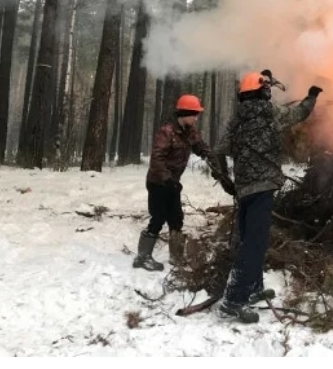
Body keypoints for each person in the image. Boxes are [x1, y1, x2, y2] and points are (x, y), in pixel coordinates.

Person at [214, 70, 322, 323]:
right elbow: (299, 113)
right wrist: (311, 96)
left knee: (249, 239)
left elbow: (220, 149)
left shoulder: (237, 118)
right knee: (255, 243)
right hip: (262, 188)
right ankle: (234, 300)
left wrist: (226, 180)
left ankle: (253, 288)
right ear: (262, 92)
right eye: (266, 89)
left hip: (243, 189)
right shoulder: (268, 111)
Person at [133, 93, 235, 272]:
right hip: (158, 182)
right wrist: (167, 180)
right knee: (158, 218)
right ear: (184, 114)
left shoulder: (190, 132)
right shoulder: (167, 132)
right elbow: (157, 159)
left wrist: (214, 164)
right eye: (194, 114)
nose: (196, 118)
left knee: (176, 219)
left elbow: (201, 147)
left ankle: (176, 257)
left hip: (173, 183)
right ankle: (142, 257)